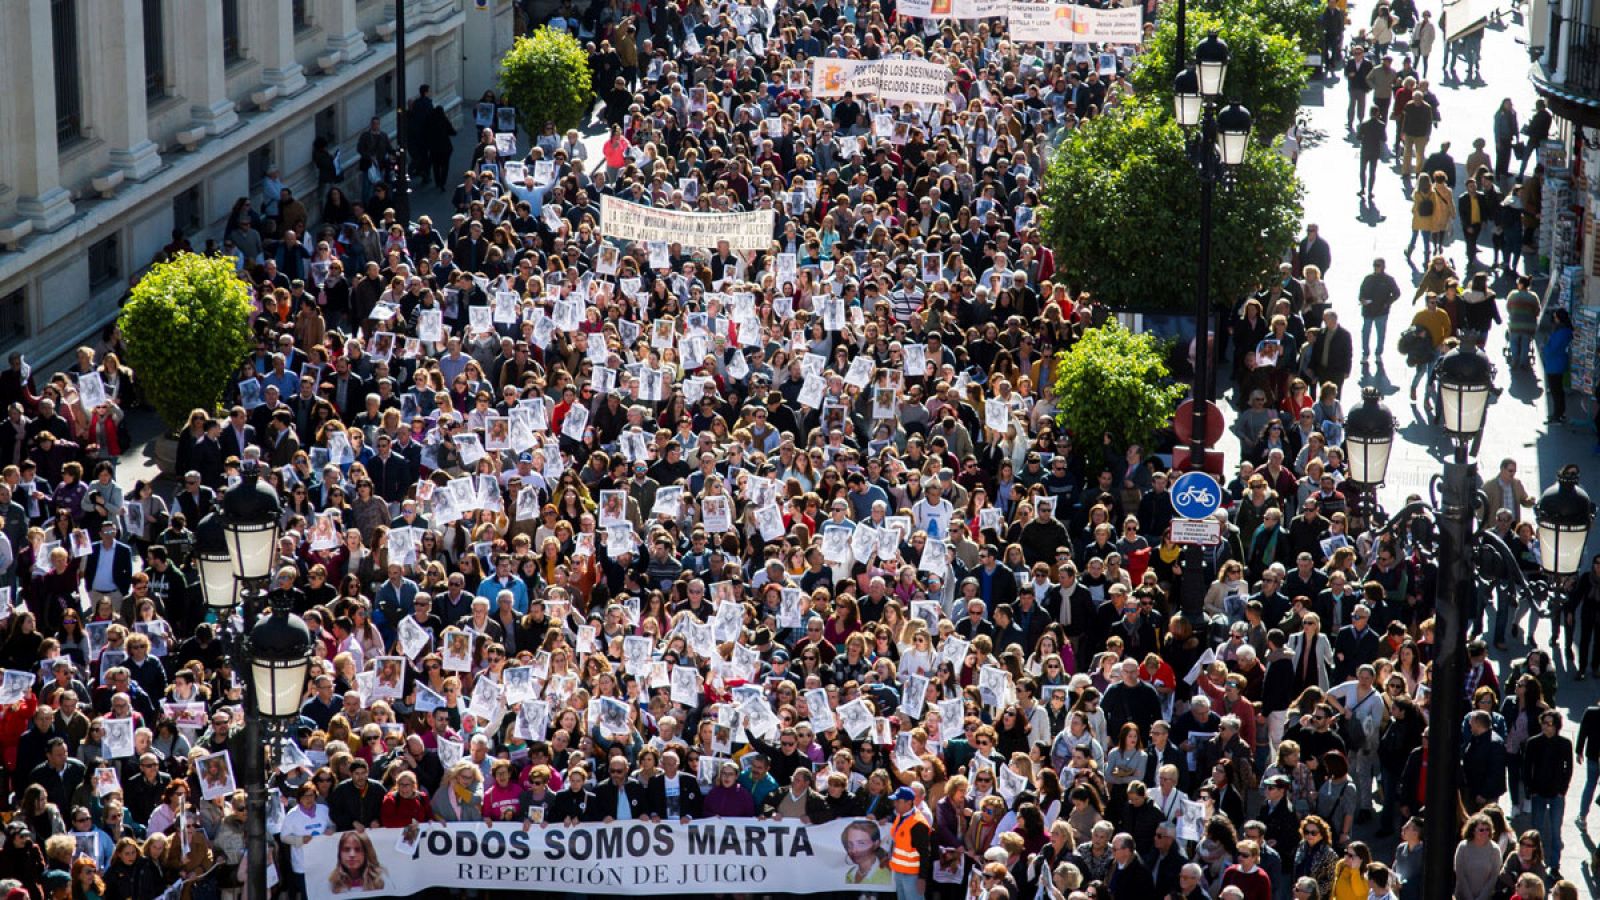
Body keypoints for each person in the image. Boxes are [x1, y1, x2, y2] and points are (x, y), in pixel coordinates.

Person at [1542, 309, 1573, 423]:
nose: (1554, 319)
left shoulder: (1561, 332)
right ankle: (1559, 413)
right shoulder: (1564, 331)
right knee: (1558, 390)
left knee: (1556, 391)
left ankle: (1557, 415)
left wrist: (1544, 348)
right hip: (1556, 363)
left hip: (1555, 364)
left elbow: (1553, 349)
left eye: (1555, 317)